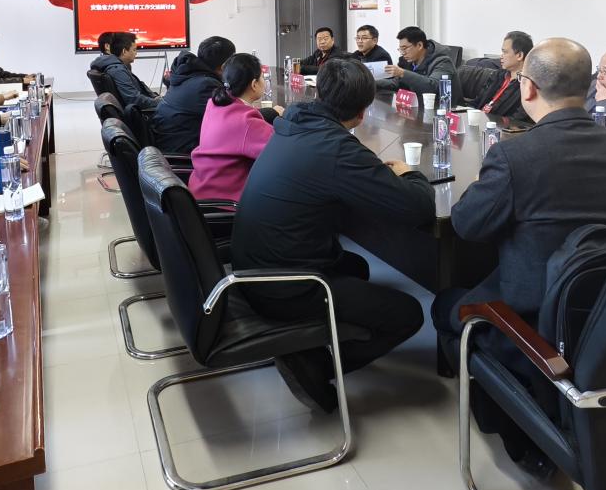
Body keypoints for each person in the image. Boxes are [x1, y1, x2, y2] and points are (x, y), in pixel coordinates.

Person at [434, 38, 606, 473]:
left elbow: (467, 225)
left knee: (444, 306)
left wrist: (482, 187)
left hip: (534, 319)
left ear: (528, 88)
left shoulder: (515, 154)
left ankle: (513, 420)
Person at [233, 59, 435, 413]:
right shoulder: (336, 148)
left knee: (356, 267)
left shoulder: (292, 125)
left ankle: (315, 339)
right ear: (362, 112)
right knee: (409, 314)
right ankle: (314, 367)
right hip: (285, 286)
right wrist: (409, 174)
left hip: (251, 266)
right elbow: (417, 208)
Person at [188, 53, 280, 203]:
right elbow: (280, 152)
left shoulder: (215, 103)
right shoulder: (246, 121)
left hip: (201, 189)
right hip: (225, 202)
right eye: (262, 77)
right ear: (254, 84)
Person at [149, 36, 236, 154]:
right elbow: (233, 120)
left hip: (169, 142)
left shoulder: (186, 74)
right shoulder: (206, 85)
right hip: (183, 153)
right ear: (224, 66)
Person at [455, 30, 534, 123]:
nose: (501, 56)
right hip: (479, 121)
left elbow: (517, 120)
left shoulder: (528, 85)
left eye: (505, 52)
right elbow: (478, 101)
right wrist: (464, 112)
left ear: (519, 55)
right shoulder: (498, 75)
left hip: (497, 127)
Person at [380, 26, 457, 95]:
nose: (403, 53)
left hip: (442, 105)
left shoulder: (443, 62)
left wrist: (403, 73)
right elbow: (397, 83)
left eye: (405, 48)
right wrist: (374, 82)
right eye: (400, 49)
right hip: (416, 103)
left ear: (419, 45)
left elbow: (433, 88)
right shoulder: (407, 61)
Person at [99, 32, 161, 111]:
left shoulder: (116, 67)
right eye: (134, 50)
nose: (136, 53)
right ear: (124, 51)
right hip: (143, 112)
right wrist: (159, 103)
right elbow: (134, 99)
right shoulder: (118, 71)